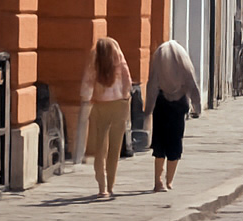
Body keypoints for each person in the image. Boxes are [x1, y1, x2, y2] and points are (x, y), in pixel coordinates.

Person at [143, 39, 201, 192]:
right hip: (179, 104)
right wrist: (197, 105)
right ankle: (169, 181)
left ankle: (158, 181)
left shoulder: (159, 59)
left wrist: (148, 109)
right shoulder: (182, 60)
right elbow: (191, 82)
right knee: (175, 142)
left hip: (161, 104)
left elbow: (152, 84)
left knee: (159, 143)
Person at [80, 36, 132, 198]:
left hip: (100, 106)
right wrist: (125, 96)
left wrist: (87, 99)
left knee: (100, 148)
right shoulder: (118, 58)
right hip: (119, 106)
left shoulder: (94, 61)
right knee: (115, 148)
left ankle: (102, 187)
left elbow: (87, 84)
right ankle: (111, 184)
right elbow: (127, 80)